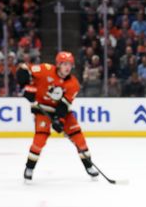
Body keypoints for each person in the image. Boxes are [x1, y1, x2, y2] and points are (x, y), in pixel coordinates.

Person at [16, 51, 99, 182]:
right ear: (58, 64)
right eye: (64, 64)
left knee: (78, 136)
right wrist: (27, 87)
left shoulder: (74, 84)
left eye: (70, 64)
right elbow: (23, 68)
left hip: (61, 111)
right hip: (42, 108)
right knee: (40, 137)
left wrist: (59, 120)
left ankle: (89, 166)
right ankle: (29, 168)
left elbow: (64, 105)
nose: (67, 67)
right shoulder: (45, 69)